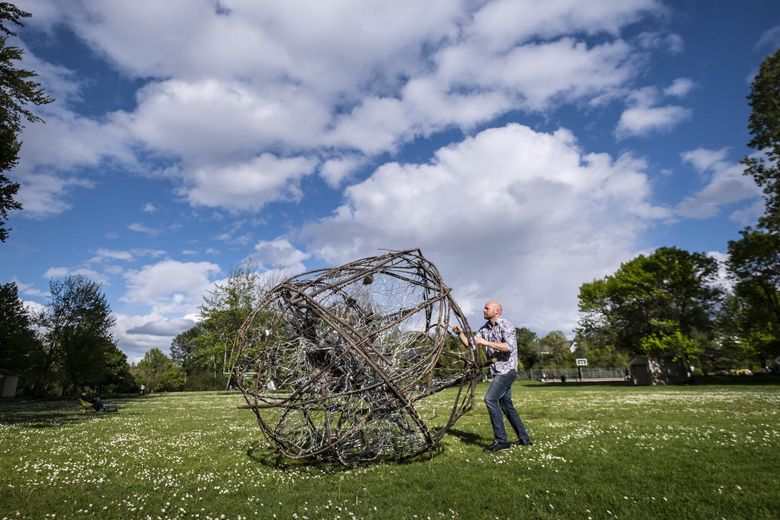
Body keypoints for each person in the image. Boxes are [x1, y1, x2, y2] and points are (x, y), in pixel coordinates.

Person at [453, 301, 532, 452]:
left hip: (507, 370)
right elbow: (471, 344)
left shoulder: (505, 325)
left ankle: (501, 441)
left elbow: (509, 347)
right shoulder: (485, 329)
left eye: (486, 308)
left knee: (490, 399)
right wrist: (460, 333)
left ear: (496, 311)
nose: (483, 310)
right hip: (498, 371)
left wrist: (486, 342)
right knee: (506, 405)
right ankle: (524, 439)